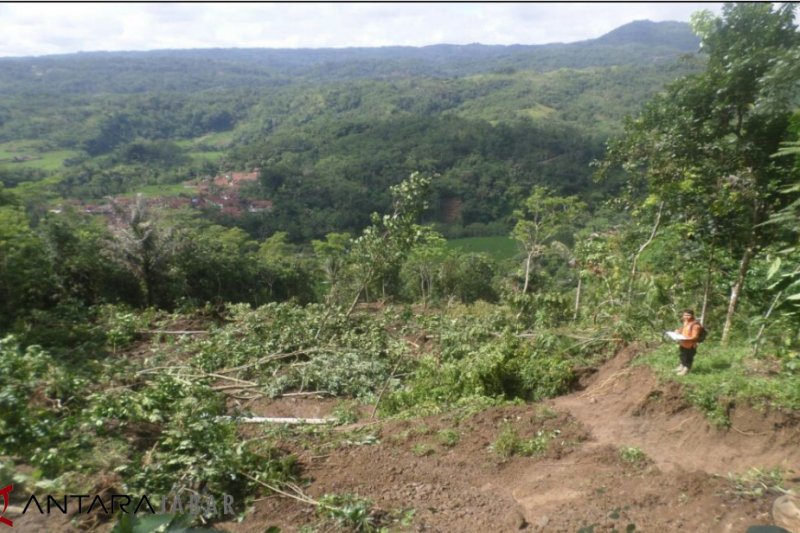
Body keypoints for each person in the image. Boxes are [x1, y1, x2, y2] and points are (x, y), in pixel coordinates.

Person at [675, 309, 701, 375]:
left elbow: (695, 336)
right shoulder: (686, 322)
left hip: (691, 345)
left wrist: (686, 338)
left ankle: (686, 370)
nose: (686, 316)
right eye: (685, 315)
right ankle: (681, 366)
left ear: (692, 315)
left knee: (688, 358)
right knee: (682, 355)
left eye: (688, 315)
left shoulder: (695, 325)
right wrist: (678, 331)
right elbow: (683, 329)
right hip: (683, 343)